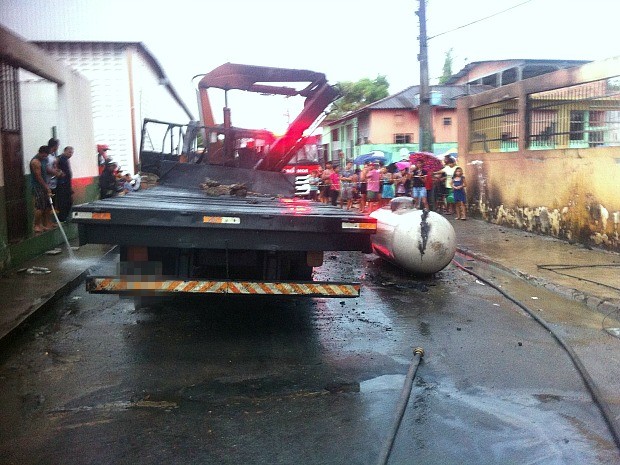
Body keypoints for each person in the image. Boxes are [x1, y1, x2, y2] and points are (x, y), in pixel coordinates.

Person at [30, 145, 52, 233]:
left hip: (44, 185)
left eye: (46, 155)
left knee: (46, 206)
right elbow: (38, 177)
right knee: (39, 206)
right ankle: (36, 225)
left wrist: (54, 172)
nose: (45, 157)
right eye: (44, 155)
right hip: (37, 186)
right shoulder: (35, 161)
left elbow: (46, 169)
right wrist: (46, 187)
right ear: (40, 152)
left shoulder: (44, 159)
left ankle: (45, 223)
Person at [56, 146, 74, 221]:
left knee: (69, 201)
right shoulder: (60, 158)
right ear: (65, 151)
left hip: (67, 184)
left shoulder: (65, 159)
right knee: (63, 202)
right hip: (62, 184)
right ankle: (62, 218)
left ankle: (65, 217)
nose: (71, 154)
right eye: (69, 152)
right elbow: (56, 168)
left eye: (72, 153)